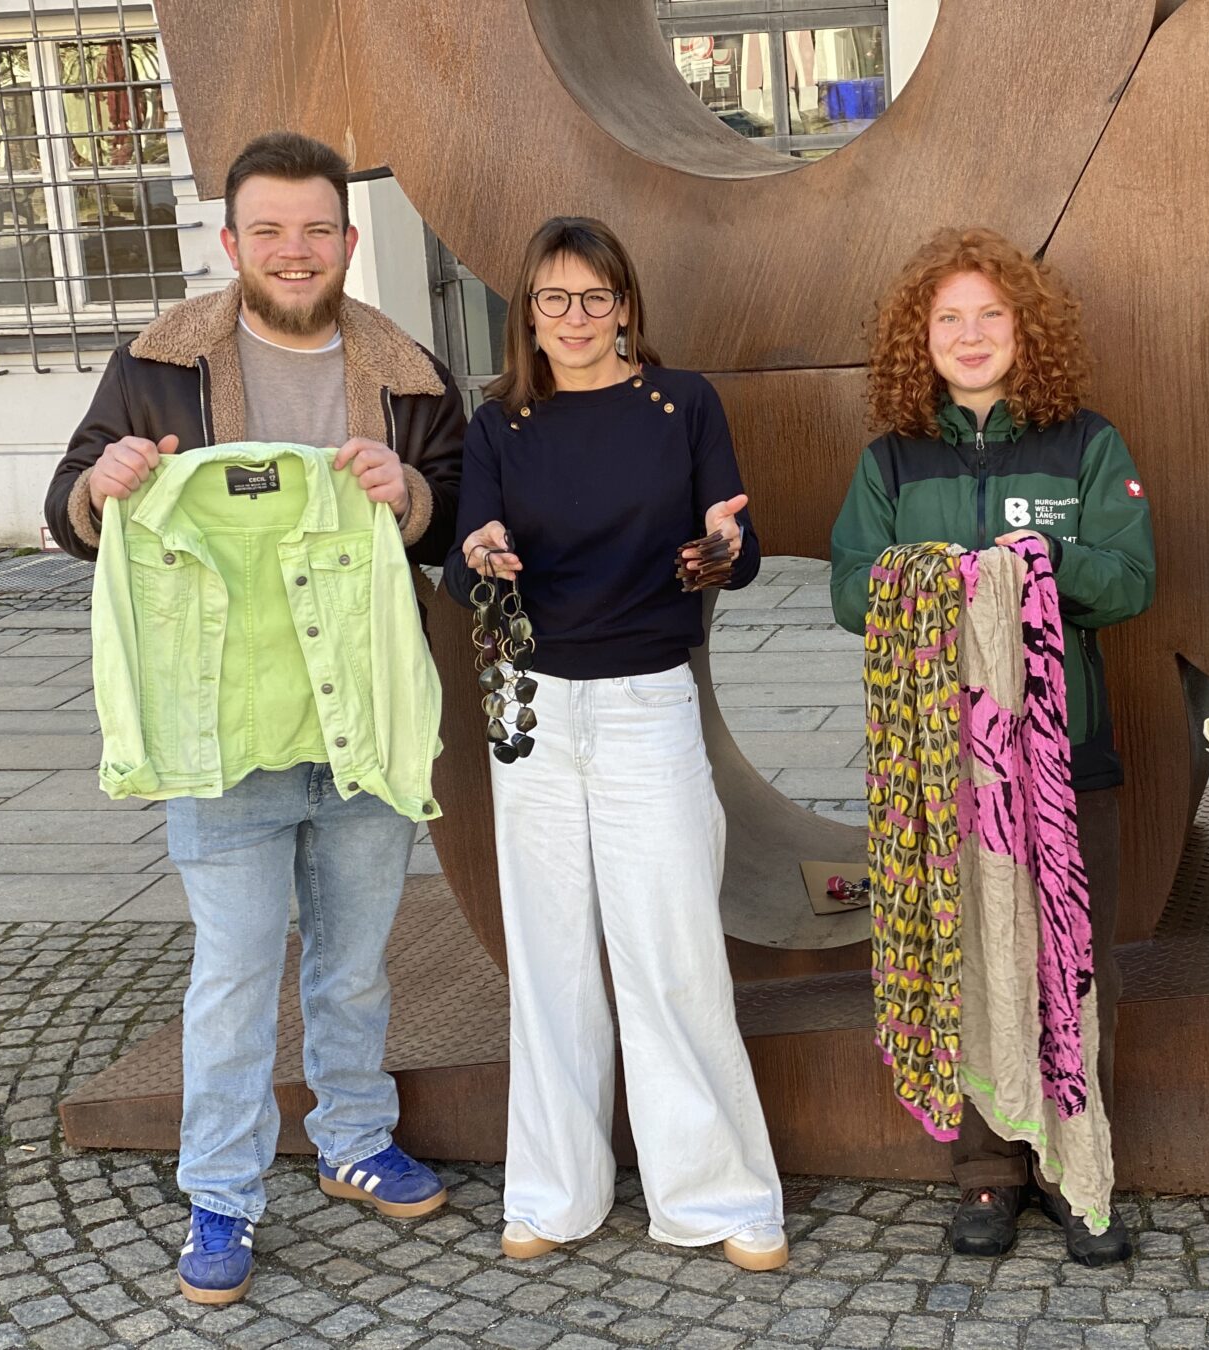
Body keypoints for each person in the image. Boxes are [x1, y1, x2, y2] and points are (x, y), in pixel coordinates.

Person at [43, 131, 466, 1306]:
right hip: (222, 732)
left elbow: (465, 511)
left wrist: (411, 493)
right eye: (270, 230)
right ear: (232, 242)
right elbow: (67, 503)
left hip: (362, 722)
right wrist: (100, 488)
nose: (295, 250)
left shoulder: (408, 372)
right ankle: (221, 1194)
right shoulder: (156, 365)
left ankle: (352, 1139)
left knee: (355, 965)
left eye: (316, 229)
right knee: (232, 976)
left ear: (347, 241)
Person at [442, 217, 788, 1271]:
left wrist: (723, 545)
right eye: (554, 298)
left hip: (647, 701)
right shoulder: (500, 423)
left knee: (672, 952)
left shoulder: (683, 404)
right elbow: (463, 561)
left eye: (596, 297)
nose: (576, 318)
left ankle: (719, 1193)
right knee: (549, 959)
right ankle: (554, 1191)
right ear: (528, 314)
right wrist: (481, 551)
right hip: (534, 712)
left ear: (626, 305)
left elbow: (737, 549)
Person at [830, 226, 1156, 1266]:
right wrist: (942, 577)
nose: (970, 337)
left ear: (1026, 328)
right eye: (949, 320)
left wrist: (1034, 559)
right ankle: (987, 1173)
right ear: (919, 339)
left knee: (1071, 964)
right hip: (941, 767)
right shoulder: (891, 460)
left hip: (1064, 761)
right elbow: (852, 591)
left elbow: (1130, 579)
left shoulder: (1086, 445)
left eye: (990, 315)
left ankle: (1071, 1169)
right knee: (964, 957)